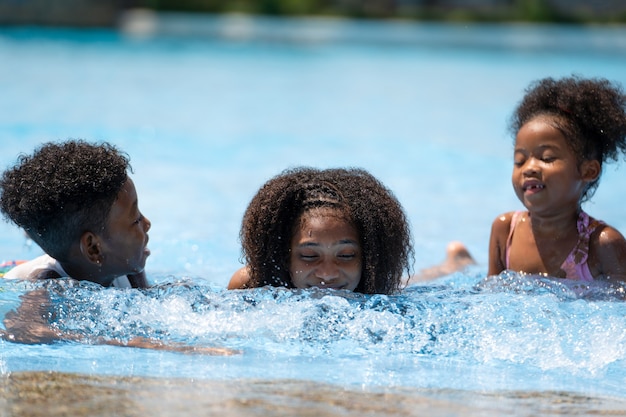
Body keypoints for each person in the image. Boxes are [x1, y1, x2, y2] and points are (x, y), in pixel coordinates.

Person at [0, 139, 232, 354]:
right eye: (135, 220)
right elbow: (22, 331)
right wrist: (140, 344)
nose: (147, 223)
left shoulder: (131, 271)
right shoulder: (46, 286)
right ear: (93, 249)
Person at [488, 76, 626, 283]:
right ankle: (457, 259)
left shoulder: (602, 245)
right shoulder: (505, 230)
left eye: (547, 158)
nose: (529, 168)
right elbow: (487, 297)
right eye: (520, 160)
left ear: (588, 171)